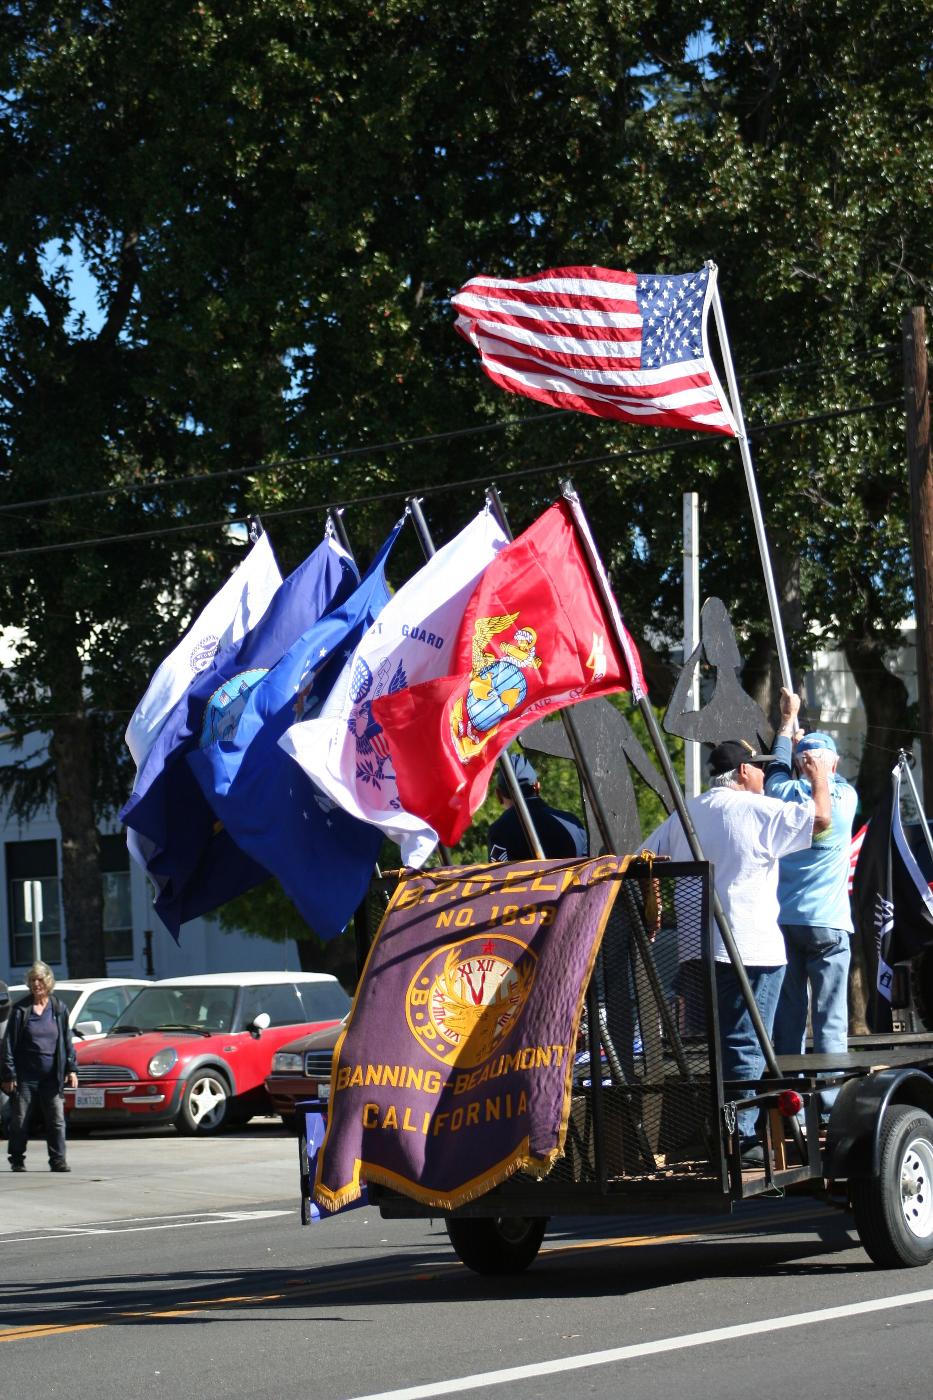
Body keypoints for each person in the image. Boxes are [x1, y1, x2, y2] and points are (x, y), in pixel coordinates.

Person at [642, 738, 830, 1165]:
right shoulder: (753, 809)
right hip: (750, 948)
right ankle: (740, 1140)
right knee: (744, 1046)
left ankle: (728, 1131)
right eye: (760, 768)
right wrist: (820, 776)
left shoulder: (690, 811)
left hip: (696, 949)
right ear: (743, 771)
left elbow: (643, 857)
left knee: (723, 1045)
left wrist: (654, 912)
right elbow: (821, 818)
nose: (765, 775)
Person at [765, 690, 858, 1122]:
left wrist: (788, 723)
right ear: (832, 765)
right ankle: (832, 1111)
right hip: (830, 925)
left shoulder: (781, 795)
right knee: (830, 1021)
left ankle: (793, 1111)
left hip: (786, 923)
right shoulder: (846, 800)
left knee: (789, 1021)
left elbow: (777, 768)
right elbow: (821, 783)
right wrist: (817, 766)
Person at [1, 960, 78, 1173]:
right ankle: (17, 1159)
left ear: (48, 982)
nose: (36, 984)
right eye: (32, 980)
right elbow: (7, 1044)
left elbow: (66, 1041)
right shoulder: (20, 1010)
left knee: (56, 1120)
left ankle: (58, 1160)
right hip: (26, 1078)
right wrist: (9, 1074)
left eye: (40, 980)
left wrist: (71, 1069)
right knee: (20, 1120)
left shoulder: (58, 1008)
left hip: (51, 1077)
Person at [487, 751, 588, 862]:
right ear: (537, 787)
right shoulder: (572, 824)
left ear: (498, 795)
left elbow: (499, 875)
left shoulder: (499, 831)